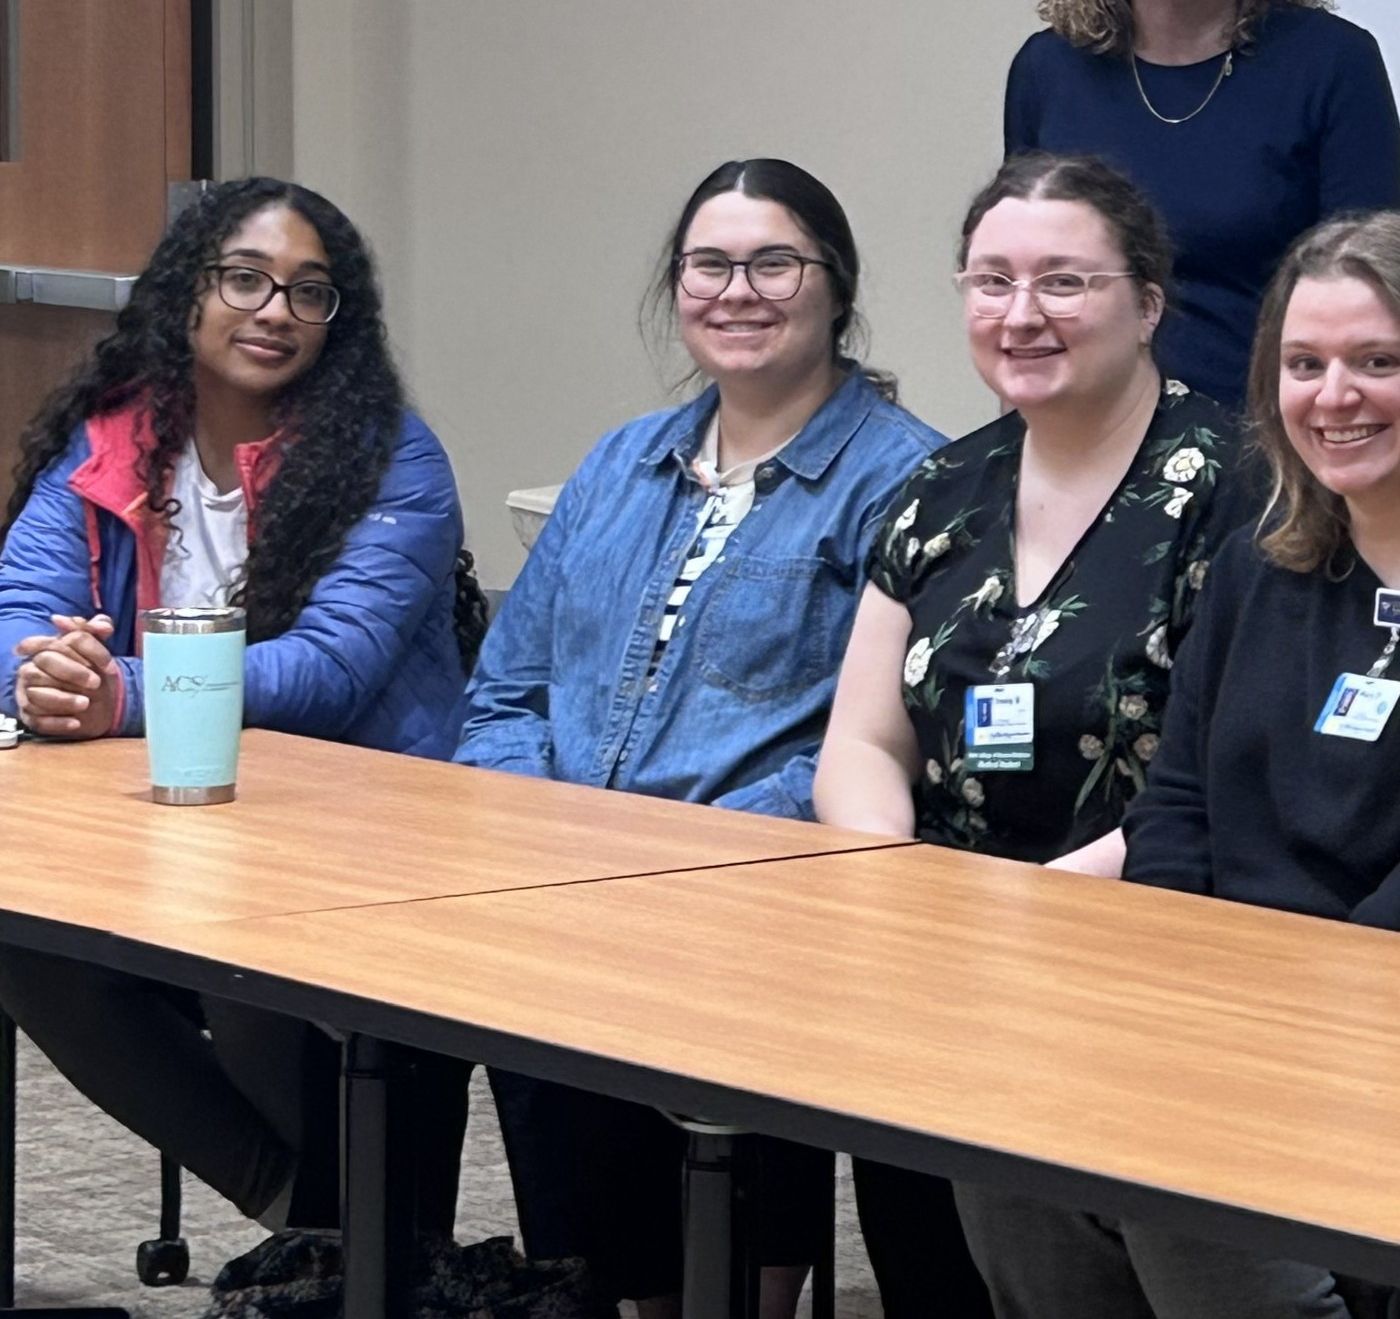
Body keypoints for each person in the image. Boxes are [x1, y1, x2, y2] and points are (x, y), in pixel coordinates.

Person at [970, 215, 1400, 1319]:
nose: (1333, 395)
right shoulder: (1262, 566)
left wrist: (1254, 1036)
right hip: (1223, 1021)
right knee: (1000, 1132)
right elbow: (1176, 808)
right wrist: (1181, 1005)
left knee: (1170, 1163)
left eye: (1377, 361)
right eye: (1304, 365)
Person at [458, 159, 941, 1319]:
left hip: (749, 909)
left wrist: (669, 861)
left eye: (774, 262)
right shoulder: (618, 462)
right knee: (577, 1218)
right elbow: (507, 689)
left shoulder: (906, 476)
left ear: (836, 284)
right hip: (563, 890)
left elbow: (870, 732)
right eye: (709, 265)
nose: (739, 290)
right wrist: (550, 832)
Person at [0, 178, 482, 1251]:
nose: (275, 311)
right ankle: (312, 1226)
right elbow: (18, 606)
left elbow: (331, 671)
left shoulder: (387, 457)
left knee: (250, 950)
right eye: (247, 280)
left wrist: (119, 690)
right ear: (186, 294)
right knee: (26, 943)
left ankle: (358, 1245)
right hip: (155, 818)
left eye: (310, 294)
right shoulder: (107, 439)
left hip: (355, 827)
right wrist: (39, 677)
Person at [814, 153, 1251, 1304]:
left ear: (1148, 302)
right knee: (930, 1264)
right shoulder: (938, 486)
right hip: (938, 951)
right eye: (990, 280)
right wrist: (895, 888)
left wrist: (1032, 913)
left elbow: (1215, 775)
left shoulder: (1236, 486)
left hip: (1136, 951)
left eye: (1064, 282)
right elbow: (862, 739)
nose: (1020, 314)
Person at [1006, 0, 1400, 412]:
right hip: (1080, 427)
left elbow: (1365, 297)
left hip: (1270, 447)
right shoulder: (1047, 70)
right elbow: (1022, 284)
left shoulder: (1333, 64)